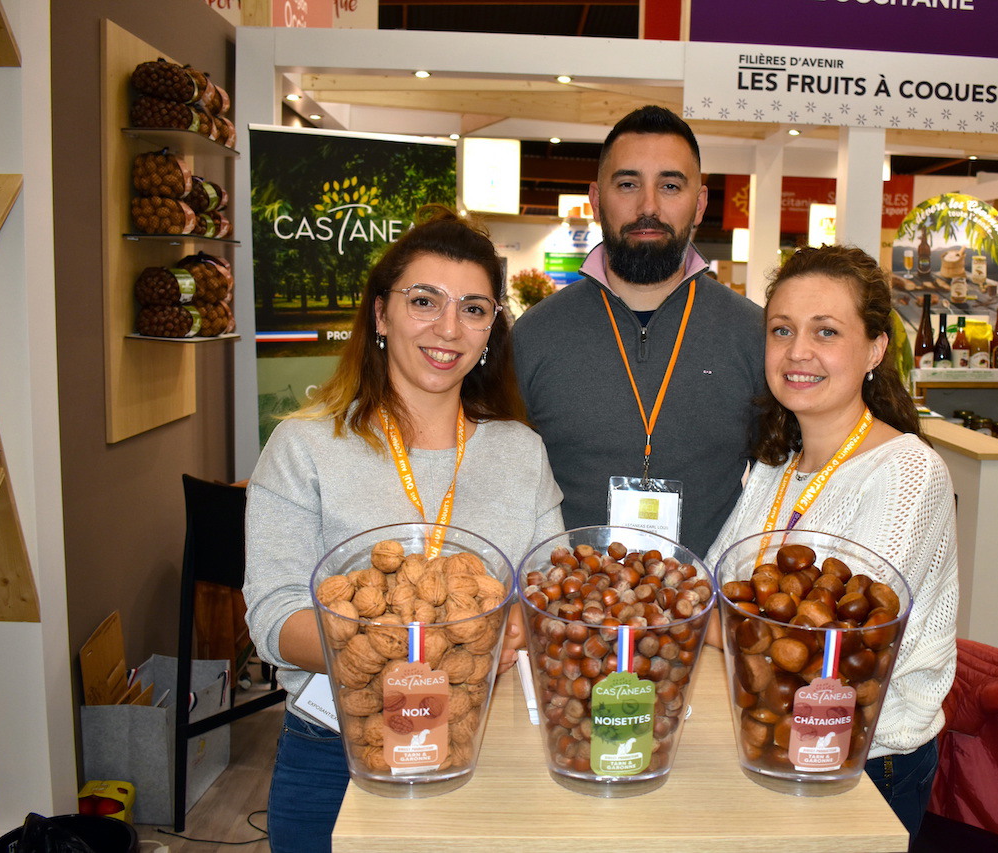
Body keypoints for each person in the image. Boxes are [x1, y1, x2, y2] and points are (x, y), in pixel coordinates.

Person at [244, 205, 564, 853]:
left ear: (491, 332)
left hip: (482, 742)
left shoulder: (519, 451)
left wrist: (516, 627)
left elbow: (547, 591)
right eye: (424, 301)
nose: (448, 327)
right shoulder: (305, 446)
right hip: (336, 749)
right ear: (381, 314)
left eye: (473, 309)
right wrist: (417, 645)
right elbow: (273, 617)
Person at [706, 244, 959, 834]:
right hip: (767, 732)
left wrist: (715, 625)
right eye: (782, 330)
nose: (798, 352)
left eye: (826, 331)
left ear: (875, 349)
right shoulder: (775, 466)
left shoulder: (907, 473)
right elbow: (713, 588)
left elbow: (834, 652)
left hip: (863, 762)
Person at [512, 105, 765, 559]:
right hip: (565, 598)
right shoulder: (534, 336)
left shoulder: (753, 334)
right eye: (628, 184)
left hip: (712, 600)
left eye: (670, 186)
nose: (648, 207)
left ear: (700, 204)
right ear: (596, 199)